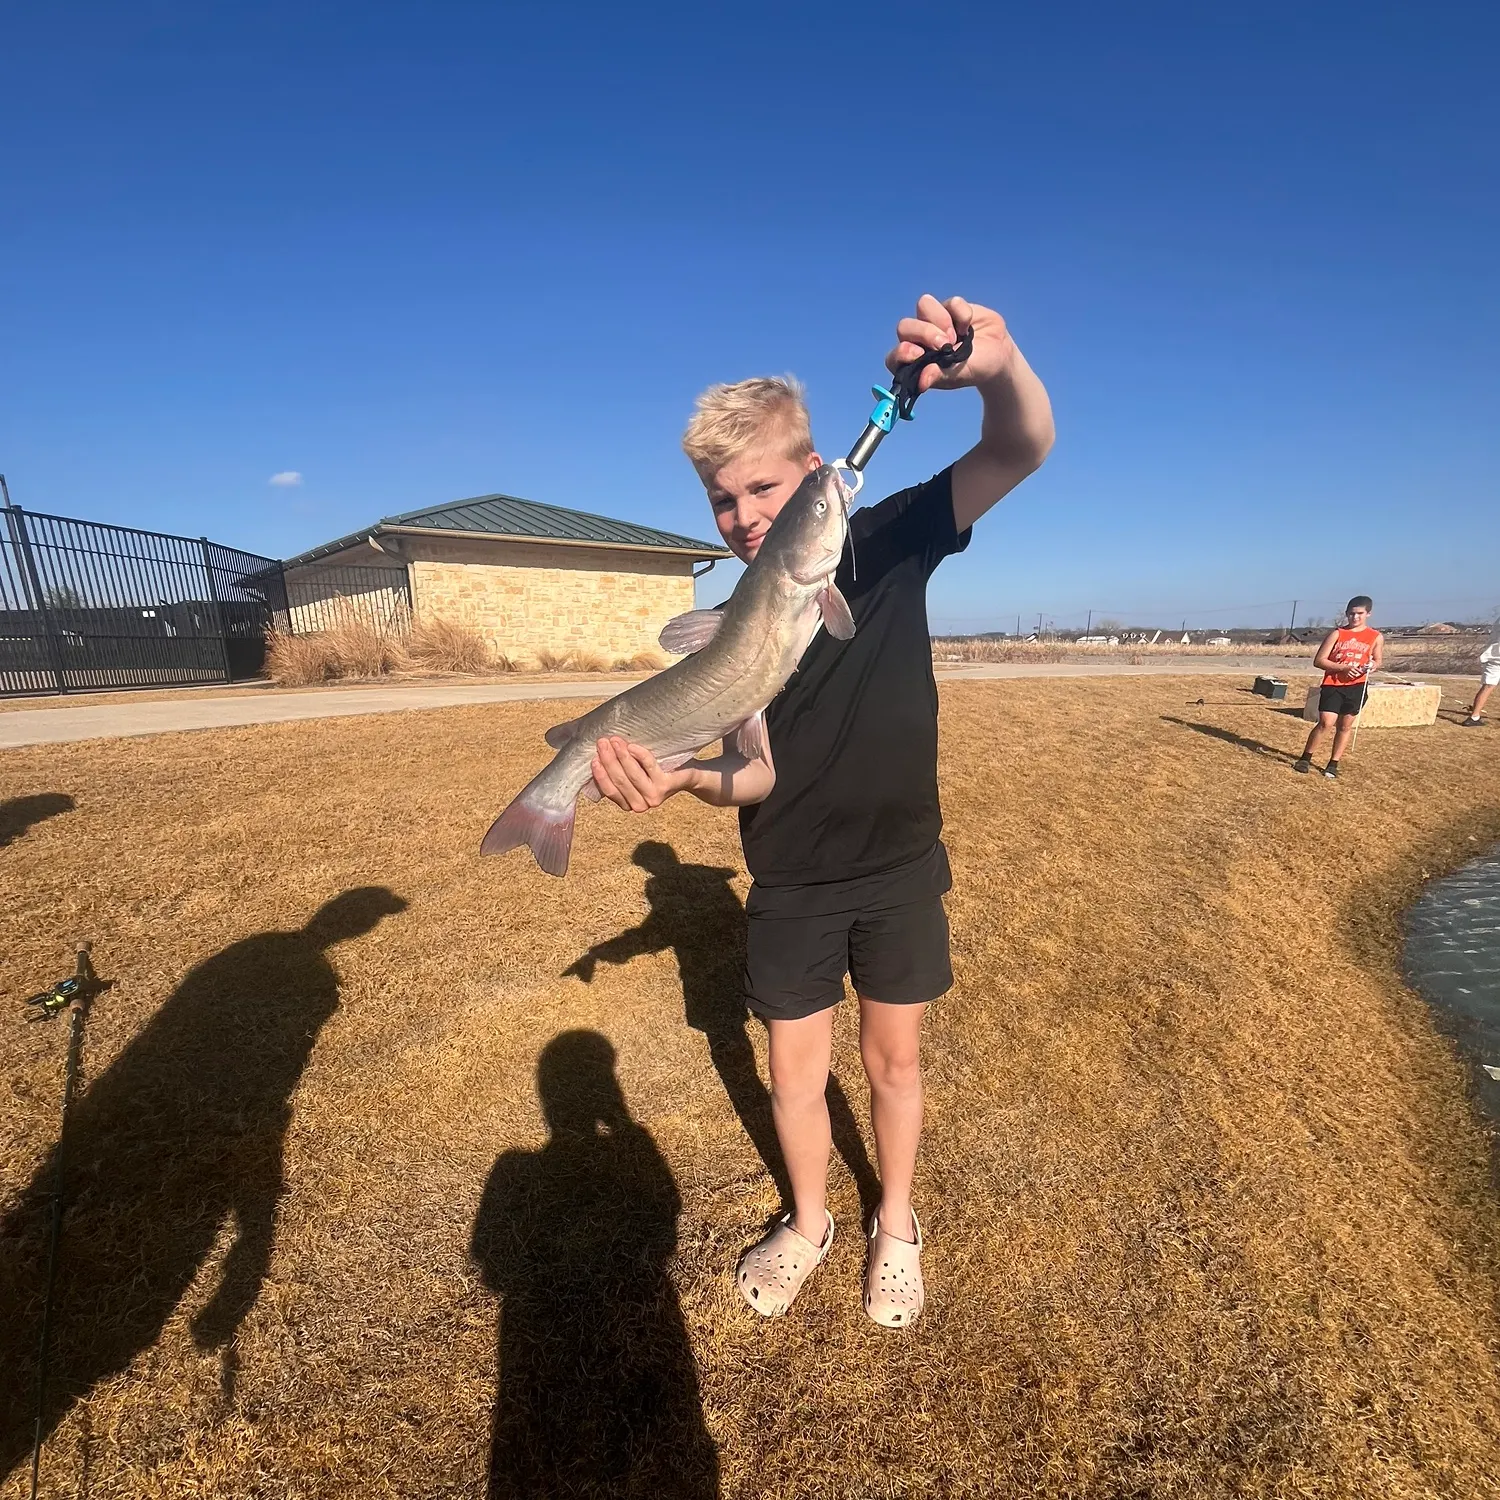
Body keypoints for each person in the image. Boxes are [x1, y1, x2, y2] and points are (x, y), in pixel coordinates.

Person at [585, 294, 1054, 1327]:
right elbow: (751, 773)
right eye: (722, 500)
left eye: (760, 486)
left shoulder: (890, 537)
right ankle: (809, 1221)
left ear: (811, 475)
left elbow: (1021, 446)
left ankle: (895, 1223)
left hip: (896, 870)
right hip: (789, 881)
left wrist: (1000, 372)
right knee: (794, 1078)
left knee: (893, 1063)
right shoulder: (732, 628)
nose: (744, 515)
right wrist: (683, 779)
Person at [1294, 596, 1384, 779]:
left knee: (1345, 725)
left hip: (1357, 686)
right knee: (1326, 722)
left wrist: (1372, 666)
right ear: (1346, 614)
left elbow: (1378, 660)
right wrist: (1343, 668)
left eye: (1359, 614)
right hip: (1333, 684)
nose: (1355, 618)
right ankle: (1306, 758)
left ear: (1368, 614)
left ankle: (1333, 763)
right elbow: (1319, 661)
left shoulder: (1375, 637)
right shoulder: (1337, 634)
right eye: (1351, 614)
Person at [1462, 626, 1500, 726]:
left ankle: (1474, 717)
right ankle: (1474, 717)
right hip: (1495, 657)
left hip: (1494, 657)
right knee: (1487, 686)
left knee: (1487, 686)